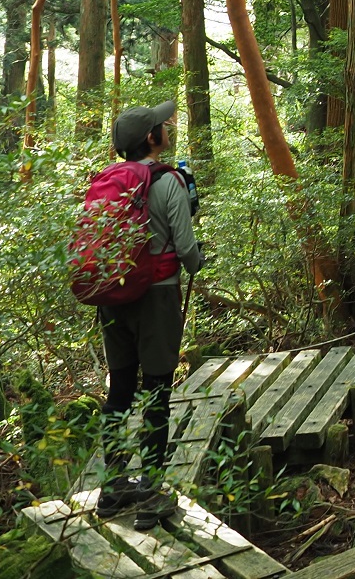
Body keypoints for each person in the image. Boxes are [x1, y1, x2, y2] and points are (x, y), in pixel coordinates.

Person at [100, 101, 202, 480]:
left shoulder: (109, 180)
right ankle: (150, 488)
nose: (168, 128)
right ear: (151, 138)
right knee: (157, 391)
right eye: (162, 125)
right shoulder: (167, 181)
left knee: (120, 391)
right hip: (156, 298)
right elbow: (187, 249)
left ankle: (113, 485)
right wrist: (197, 264)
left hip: (113, 298)